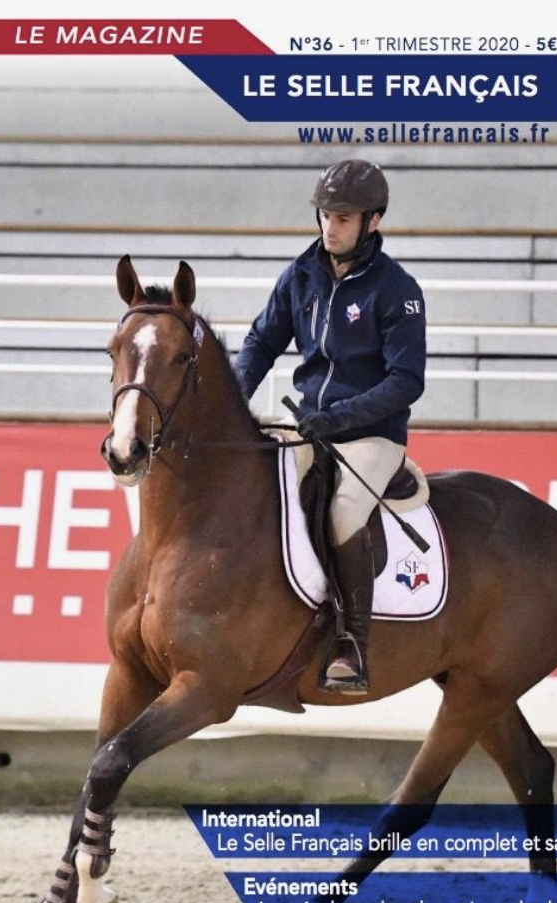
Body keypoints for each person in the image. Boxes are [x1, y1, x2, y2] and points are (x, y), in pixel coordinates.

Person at [234, 159, 426, 695]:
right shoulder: (300, 275)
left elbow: (407, 381)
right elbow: (260, 344)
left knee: (342, 514)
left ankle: (351, 643)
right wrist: (232, 402)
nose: (330, 227)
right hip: (309, 427)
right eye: (325, 215)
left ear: (374, 220)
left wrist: (339, 418)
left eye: (343, 217)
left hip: (371, 435)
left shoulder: (397, 290)